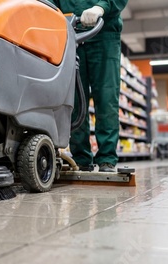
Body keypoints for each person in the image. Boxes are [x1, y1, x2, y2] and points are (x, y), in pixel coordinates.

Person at [48, 0, 128, 172]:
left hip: (104, 35)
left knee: (106, 99)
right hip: (70, 35)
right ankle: (81, 158)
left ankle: (107, 158)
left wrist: (100, 7)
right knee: (74, 100)